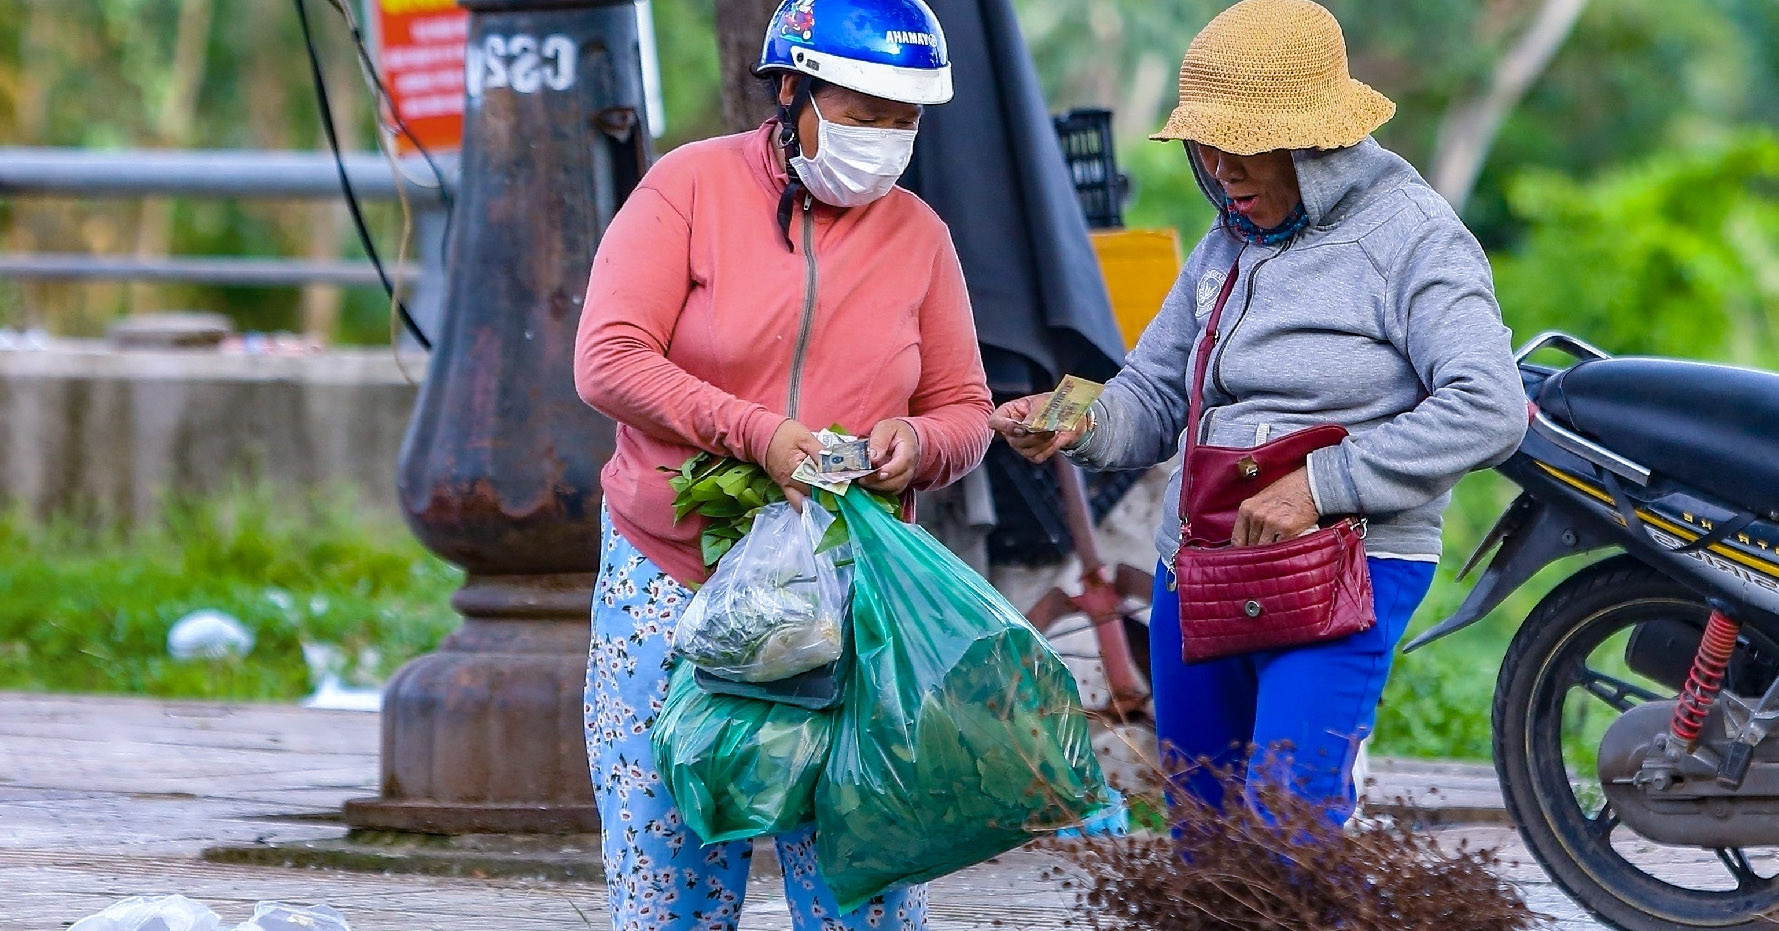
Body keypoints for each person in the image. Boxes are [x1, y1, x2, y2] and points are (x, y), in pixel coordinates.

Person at [990, 0, 1527, 824]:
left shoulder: (1415, 238)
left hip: (1345, 567)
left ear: (1317, 142)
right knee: (1202, 836)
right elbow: (1154, 395)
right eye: (1207, 147)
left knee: (1288, 825)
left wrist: (1321, 484)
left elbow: (1489, 405)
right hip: (1198, 565)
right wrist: (1081, 422)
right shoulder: (1224, 242)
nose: (1221, 168)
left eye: (1243, 148)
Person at [572, 0, 992, 926]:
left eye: (903, 120)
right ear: (792, 93)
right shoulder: (688, 189)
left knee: (860, 868)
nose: (883, 139)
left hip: (846, 591)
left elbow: (965, 410)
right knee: (668, 853)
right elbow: (608, 357)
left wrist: (916, 446)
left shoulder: (919, 235)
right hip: (673, 574)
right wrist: (758, 434)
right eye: (860, 111)